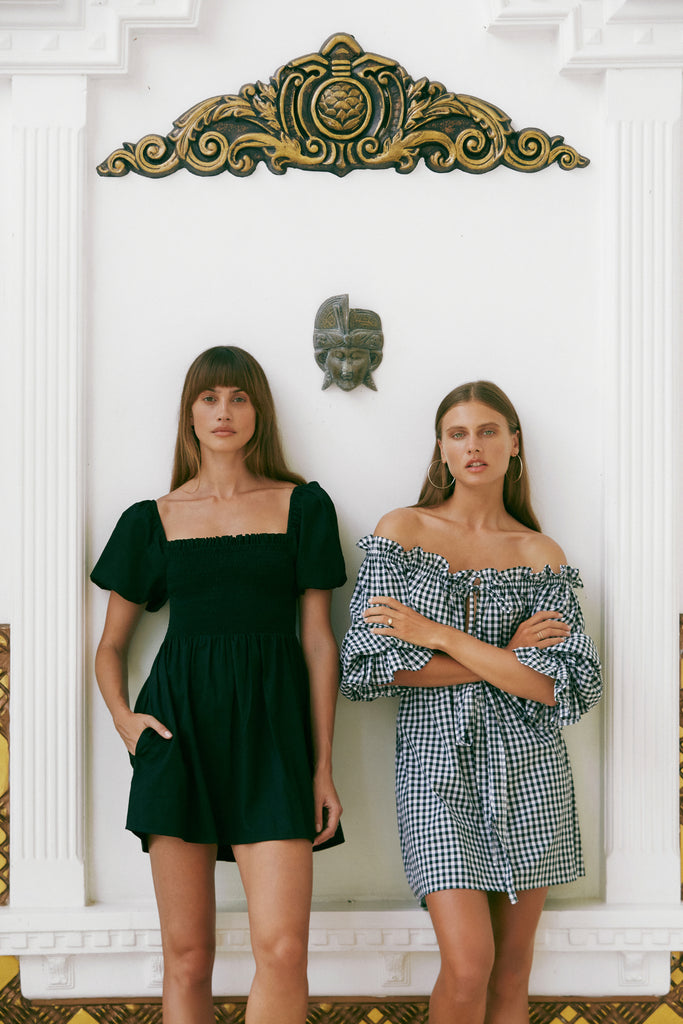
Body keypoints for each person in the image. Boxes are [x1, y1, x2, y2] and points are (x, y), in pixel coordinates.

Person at [91, 345, 346, 1024]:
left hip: (274, 743)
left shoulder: (303, 507)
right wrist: (123, 719)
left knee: (284, 949)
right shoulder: (150, 519)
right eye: (209, 398)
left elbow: (320, 644)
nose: (224, 411)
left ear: (258, 411)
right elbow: (110, 646)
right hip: (178, 737)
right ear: (189, 413)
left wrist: (321, 768)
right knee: (186, 954)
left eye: (238, 397)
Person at [340, 380, 601, 1024]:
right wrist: (505, 658)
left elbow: (559, 685)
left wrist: (434, 635)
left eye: (488, 431)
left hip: (531, 773)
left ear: (514, 445)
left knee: (512, 973)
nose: (474, 446)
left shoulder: (541, 554)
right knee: (468, 966)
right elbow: (371, 665)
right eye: (458, 434)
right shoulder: (401, 531)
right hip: (434, 767)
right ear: (441, 450)